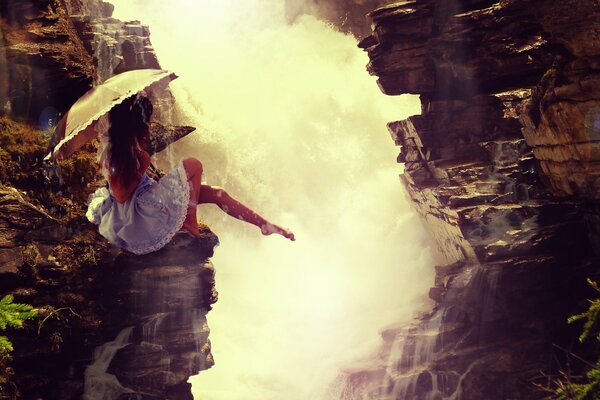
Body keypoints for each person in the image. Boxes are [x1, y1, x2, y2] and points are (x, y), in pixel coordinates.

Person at [86, 94, 295, 255]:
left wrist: (144, 170)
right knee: (193, 165)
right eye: (147, 121)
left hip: (146, 199)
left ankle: (264, 225)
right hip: (140, 215)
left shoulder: (129, 147)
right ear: (136, 124)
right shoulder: (116, 153)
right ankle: (190, 218)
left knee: (217, 194)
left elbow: (133, 182)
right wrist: (142, 167)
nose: (150, 125)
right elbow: (122, 195)